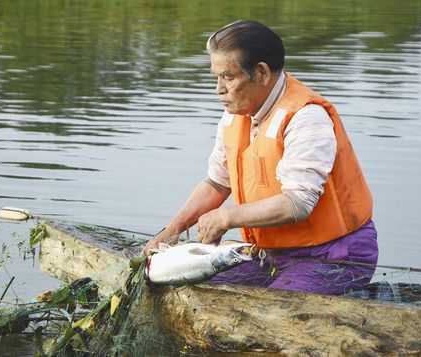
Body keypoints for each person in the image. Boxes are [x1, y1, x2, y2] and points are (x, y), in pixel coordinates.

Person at [142, 20, 378, 295]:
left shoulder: (306, 117)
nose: (219, 89)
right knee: (190, 288)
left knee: (276, 309)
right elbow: (217, 183)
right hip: (269, 254)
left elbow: (298, 204)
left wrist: (226, 217)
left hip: (333, 256)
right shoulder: (235, 115)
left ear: (262, 72)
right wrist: (172, 230)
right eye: (216, 77)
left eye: (228, 78)